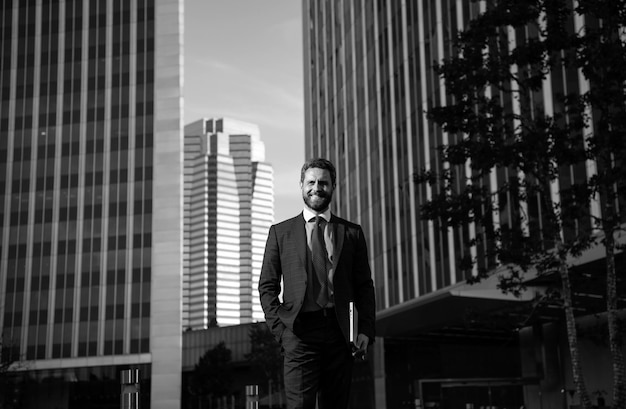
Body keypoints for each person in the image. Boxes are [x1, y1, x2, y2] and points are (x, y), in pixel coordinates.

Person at [258, 158, 376, 409]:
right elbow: (267, 286)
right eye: (311, 182)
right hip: (299, 333)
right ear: (301, 185)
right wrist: (281, 331)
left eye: (323, 182)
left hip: (341, 333)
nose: (317, 187)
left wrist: (365, 328)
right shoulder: (280, 233)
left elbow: (364, 285)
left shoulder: (352, 232)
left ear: (333, 186)